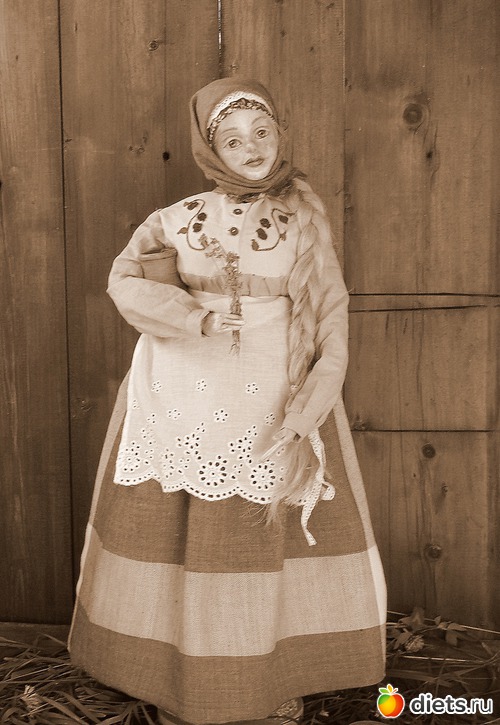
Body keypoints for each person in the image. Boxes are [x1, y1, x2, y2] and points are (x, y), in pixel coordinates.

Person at [68, 77, 386, 725]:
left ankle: (265, 680)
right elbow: (125, 280)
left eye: (261, 133)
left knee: (261, 537)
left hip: (276, 394)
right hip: (180, 394)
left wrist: (307, 411)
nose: (252, 148)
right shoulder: (176, 219)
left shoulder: (303, 223)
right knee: (175, 531)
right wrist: (195, 317)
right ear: (210, 148)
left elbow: (331, 318)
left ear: (280, 135)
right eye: (233, 139)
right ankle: (176, 680)